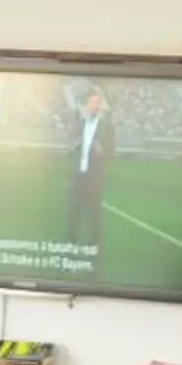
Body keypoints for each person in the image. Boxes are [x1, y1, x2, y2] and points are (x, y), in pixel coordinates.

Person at [65, 84, 116, 252]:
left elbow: (111, 150)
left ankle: (94, 244)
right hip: (79, 174)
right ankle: (69, 241)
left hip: (95, 175)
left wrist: (103, 150)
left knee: (94, 210)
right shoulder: (80, 124)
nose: (96, 105)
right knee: (74, 209)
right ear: (87, 105)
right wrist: (74, 145)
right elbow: (71, 145)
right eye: (93, 102)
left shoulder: (106, 126)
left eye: (98, 102)